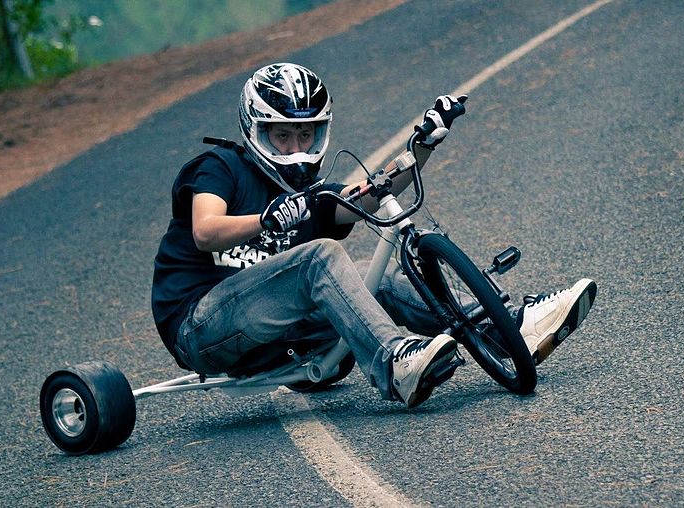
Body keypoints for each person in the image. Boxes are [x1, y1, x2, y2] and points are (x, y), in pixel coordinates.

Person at [151, 63, 597, 408]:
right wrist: (267, 219)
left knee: (374, 276)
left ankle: (511, 326)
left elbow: (369, 196)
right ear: (257, 133)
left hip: (279, 334)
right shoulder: (221, 168)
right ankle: (394, 362)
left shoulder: (310, 194)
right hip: (200, 326)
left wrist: (420, 148)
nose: (296, 149)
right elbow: (206, 231)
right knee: (318, 257)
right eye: (282, 137)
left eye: (305, 135)